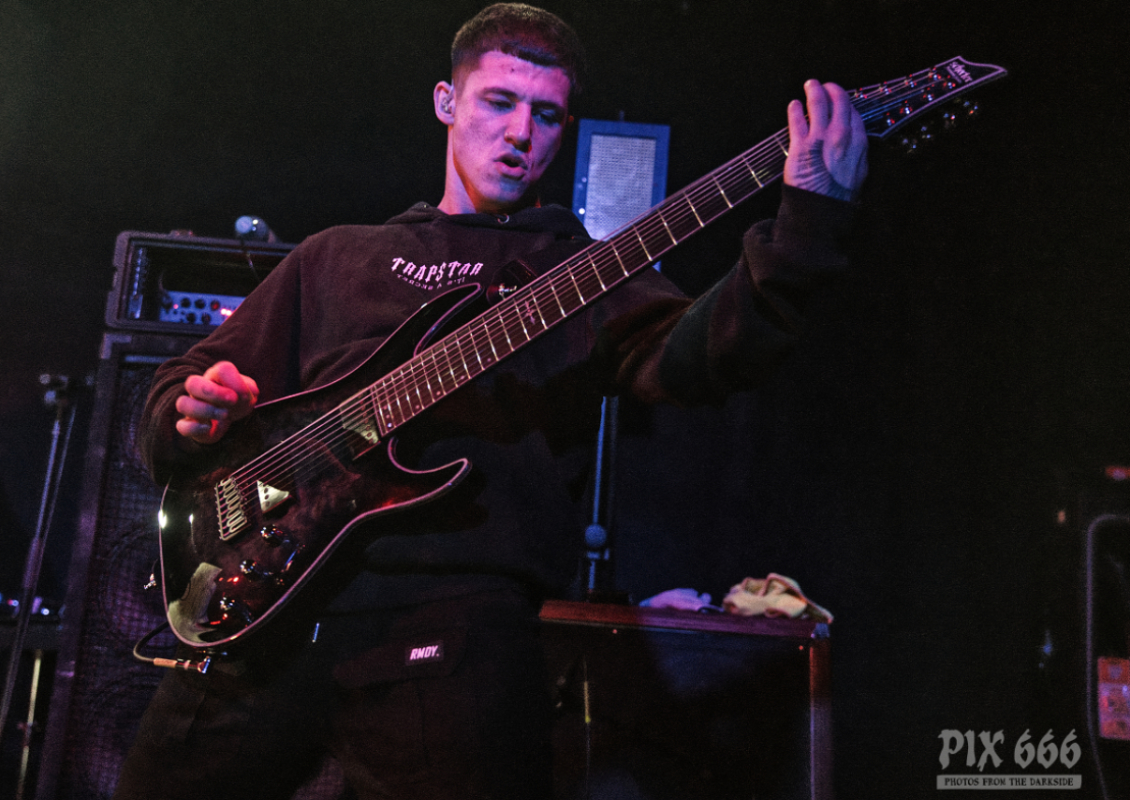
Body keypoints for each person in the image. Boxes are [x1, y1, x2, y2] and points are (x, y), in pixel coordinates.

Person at [114, 4, 868, 799]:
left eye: (545, 115)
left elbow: (709, 356)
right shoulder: (337, 256)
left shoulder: (581, 273)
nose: (519, 133)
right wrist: (187, 414)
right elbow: (179, 389)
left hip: (449, 628)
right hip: (264, 612)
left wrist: (807, 225)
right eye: (499, 102)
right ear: (447, 101)